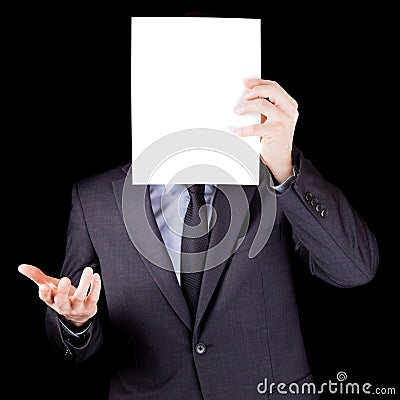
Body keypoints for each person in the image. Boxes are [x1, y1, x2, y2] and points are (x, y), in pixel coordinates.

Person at [18, 77, 379, 400]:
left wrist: (285, 167)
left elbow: (354, 269)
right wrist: (75, 321)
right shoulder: (94, 199)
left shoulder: (271, 182)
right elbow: (76, 349)